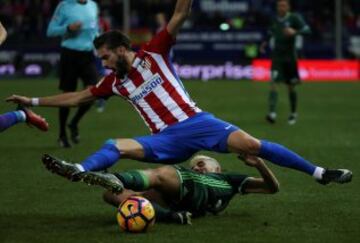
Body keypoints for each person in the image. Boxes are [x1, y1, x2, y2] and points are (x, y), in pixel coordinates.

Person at [7, 0, 352, 186]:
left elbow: (181, 11)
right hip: (165, 140)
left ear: (122, 48)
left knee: (253, 146)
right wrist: (33, 102)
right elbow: (77, 97)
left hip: (197, 122)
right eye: (101, 60)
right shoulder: (113, 82)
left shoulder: (155, 51)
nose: (104, 64)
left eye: (106, 57)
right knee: (115, 145)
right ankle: (79, 169)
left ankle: (320, 173)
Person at [43, 154, 280, 224]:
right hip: (181, 202)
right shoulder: (197, 176)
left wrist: (259, 163)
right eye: (194, 163)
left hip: (195, 189)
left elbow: (272, 188)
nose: (197, 165)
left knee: (163, 173)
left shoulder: (229, 180)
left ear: (217, 168)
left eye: (202, 162)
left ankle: (111, 176)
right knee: (111, 194)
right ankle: (170, 217)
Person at [46, 0, 99, 147]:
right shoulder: (64, 6)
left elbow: (95, 30)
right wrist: (68, 27)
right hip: (70, 55)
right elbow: (50, 31)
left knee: (93, 92)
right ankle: (62, 134)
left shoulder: (93, 5)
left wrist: (101, 45)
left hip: (88, 55)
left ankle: (74, 123)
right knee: (67, 95)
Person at [260, 0, 311, 125]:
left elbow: (307, 30)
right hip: (277, 58)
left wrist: (295, 32)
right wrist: (264, 42)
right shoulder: (274, 19)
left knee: (290, 87)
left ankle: (293, 113)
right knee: (273, 83)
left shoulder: (294, 18)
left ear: (288, 7)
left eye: (283, 5)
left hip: (290, 59)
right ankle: (272, 114)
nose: (281, 7)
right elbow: (270, 32)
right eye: (279, 5)